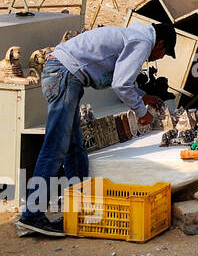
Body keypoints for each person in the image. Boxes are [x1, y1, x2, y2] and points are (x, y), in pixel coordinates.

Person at [16, 21, 176, 237]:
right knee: (55, 147)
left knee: (75, 149)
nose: (160, 58)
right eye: (165, 53)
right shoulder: (142, 42)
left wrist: (143, 96)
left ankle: (77, 210)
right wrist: (142, 112)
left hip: (63, 73)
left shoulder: (134, 35)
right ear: (161, 44)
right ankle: (32, 215)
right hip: (65, 75)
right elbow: (121, 85)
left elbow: (122, 79)